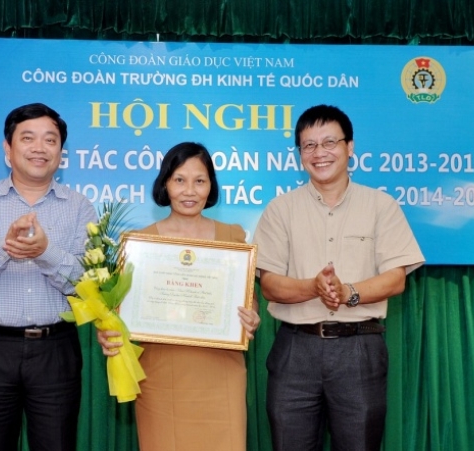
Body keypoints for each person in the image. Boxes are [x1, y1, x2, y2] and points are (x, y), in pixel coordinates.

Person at [252, 104, 425, 451]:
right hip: (295, 350)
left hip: (358, 349)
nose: (320, 153)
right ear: (300, 154)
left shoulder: (381, 206)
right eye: (309, 145)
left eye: (329, 142)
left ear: (350, 147)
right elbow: (269, 284)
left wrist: (349, 293)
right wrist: (312, 287)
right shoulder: (280, 210)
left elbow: (396, 279)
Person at [0, 103, 97, 451]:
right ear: (8, 148)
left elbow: (87, 285)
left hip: (55, 350)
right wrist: (5, 249)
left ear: (61, 151)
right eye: (28, 138)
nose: (39, 148)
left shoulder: (80, 208)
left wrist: (46, 252)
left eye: (50, 140)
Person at [98, 142, 260, 451]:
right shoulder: (140, 245)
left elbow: (247, 298)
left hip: (221, 372)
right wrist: (109, 332)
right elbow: (120, 312)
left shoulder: (233, 237)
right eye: (179, 180)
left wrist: (251, 316)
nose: (190, 191)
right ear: (165, 184)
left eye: (200, 181)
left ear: (211, 186)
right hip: (160, 376)